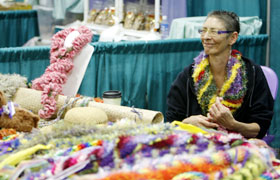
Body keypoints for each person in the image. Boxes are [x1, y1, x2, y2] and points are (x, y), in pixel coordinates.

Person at [166, 10, 274, 139]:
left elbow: (260, 128)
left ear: (233, 38)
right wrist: (186, 123)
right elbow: (171, 123)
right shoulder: (189, 75)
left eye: (214, 31)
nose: (206, 37)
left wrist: (233, 125)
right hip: (197, 145)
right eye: (203, 30)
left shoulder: (253, 73)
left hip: (240, 146)